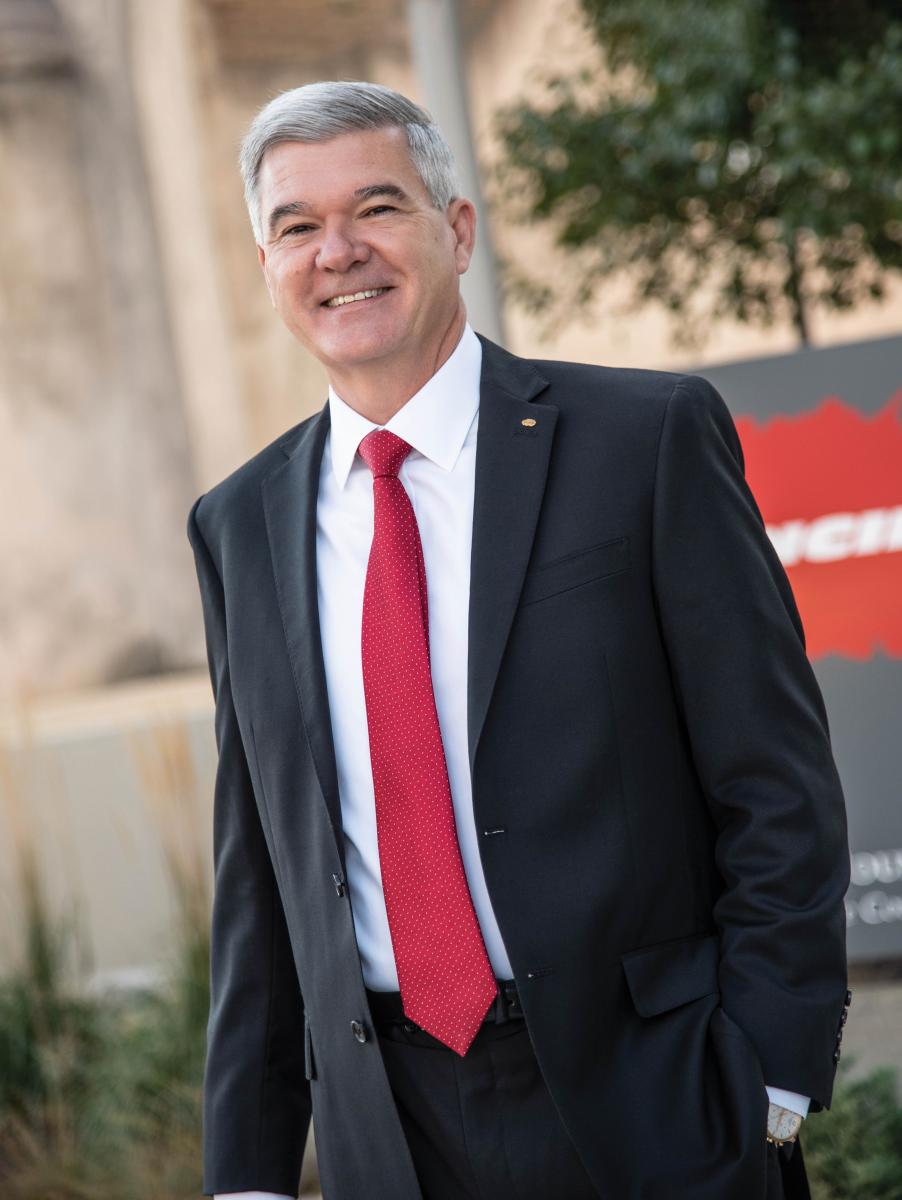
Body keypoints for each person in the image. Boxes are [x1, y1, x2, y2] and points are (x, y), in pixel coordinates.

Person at [186, 81, 850, 1200]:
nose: (336, 251)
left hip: (654, 1104)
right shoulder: (237, 523)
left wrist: (773, 1070)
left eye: (377, 208)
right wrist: (247, 1168)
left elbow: (771, 779)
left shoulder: (642, 443)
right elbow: (261, 868)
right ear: (266, 267)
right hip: (387, 1136)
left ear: (455, 229)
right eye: (296, 226)